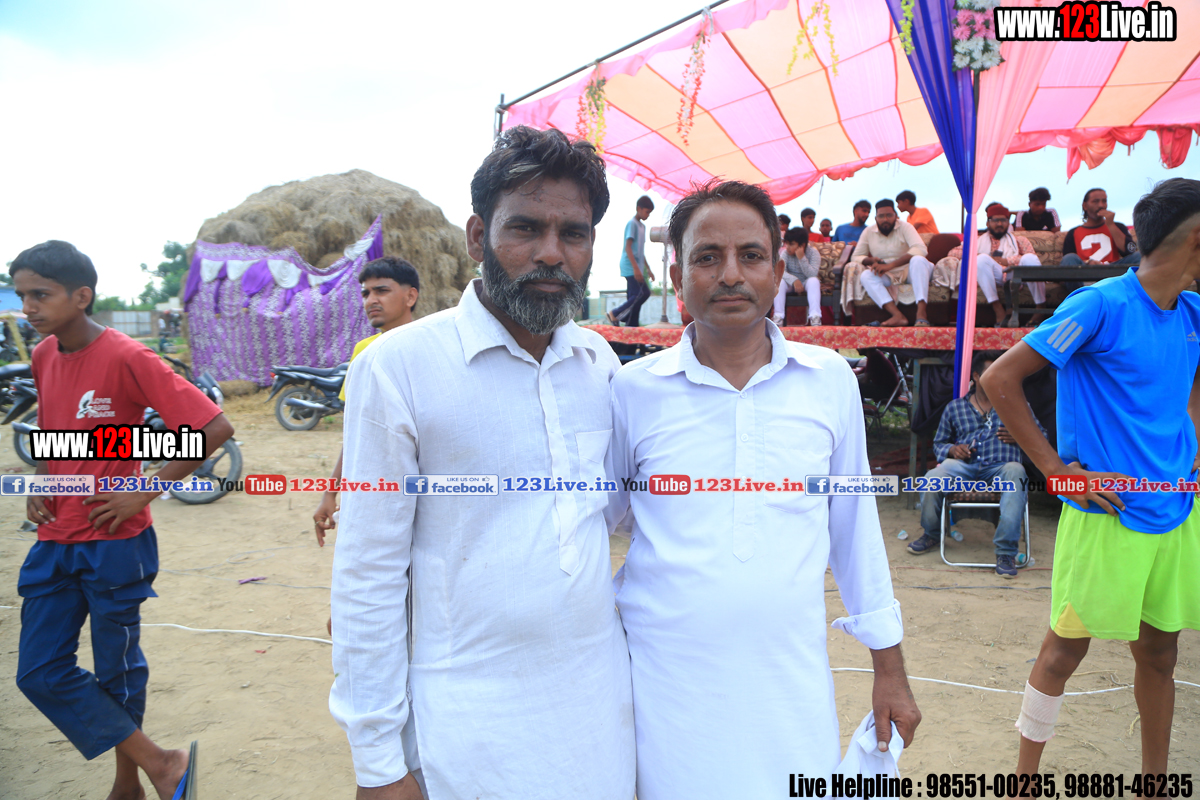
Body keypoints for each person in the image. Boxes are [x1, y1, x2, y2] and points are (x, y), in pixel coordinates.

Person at [329, 126, 634, 800]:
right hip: (465, 728)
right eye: (525, 228)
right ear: (477, 237)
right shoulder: (398, 368)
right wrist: (378, 763)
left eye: (574, 234)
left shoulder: (599, 364)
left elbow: (620, 517)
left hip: (598, 715)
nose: (551, 253)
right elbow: (366, 574)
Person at [606, 179, 919, 798]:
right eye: (707, 257)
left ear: (778, 273)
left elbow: (853, 528)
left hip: (789, 679)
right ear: (677, 277)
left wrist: (890, 668)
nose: (730, 274)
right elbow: (600, 522)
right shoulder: (633, 389)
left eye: (750, 255)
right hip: (663, 682)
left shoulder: (827, 380)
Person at [980, 177, 1200, 776]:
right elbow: (999, 379)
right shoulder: (1098, 305)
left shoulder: (1192, 312)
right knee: (1063, 653)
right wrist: (1055, 470)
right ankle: (1024, 782)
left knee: (1160, 653)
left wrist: (1193, 432)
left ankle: (1154, 783)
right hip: (1107, 512)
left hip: (1175, 509)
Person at [12, 240, 235, 800]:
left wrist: (144, 488)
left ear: (81, 296)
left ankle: (126, 782)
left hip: (115, 542)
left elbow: (214, 428)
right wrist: (43, 477)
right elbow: (53, 427)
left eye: (40, 294)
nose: (28, 307)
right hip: (54, 537)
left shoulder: (127, 356)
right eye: (22, 295)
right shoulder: (43, 355)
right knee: (38, 670)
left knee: (117, 670)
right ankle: (163, 762)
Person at [313, 256, 420, 548]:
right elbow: (356, 432)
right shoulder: (363, 352)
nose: (371, 300)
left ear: (410, 296)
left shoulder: (430, 348)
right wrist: (330, 493)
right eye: (365, 293)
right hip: (376, 493)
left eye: (381, 291)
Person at [906, 350, 1043, 577]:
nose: (997, 377)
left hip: (1001, 467)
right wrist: (952, 449)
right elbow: (939, 443)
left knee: (1016, 472)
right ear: (977, 376)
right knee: (931, 479)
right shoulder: (955, 407)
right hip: (965, 467)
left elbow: (1042, 438)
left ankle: (1006, 552)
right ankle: (931, 534)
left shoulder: (1016, 404)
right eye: (991, 373)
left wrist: (1021, 436)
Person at [856, 198, 934, 327]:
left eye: (889, 215)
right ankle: (897, 316)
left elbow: (921, 249)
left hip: (911, 271)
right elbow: (856, 256)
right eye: (881, 216)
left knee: (918, 259)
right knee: (866, 275)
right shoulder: (868, 232)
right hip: (888, 275)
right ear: (876, 218)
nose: (885, 219)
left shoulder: (906, 227)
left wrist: (890, 265)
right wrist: (871, 260)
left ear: (896, 216)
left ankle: (921, 314)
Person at [967, 202, 1048, 327]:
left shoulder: (1019, 240)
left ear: (1008, 223)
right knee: (981, 259)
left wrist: (1007, 261)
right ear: (988, 223)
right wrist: (981, 256)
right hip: (994, 275)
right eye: (996, 220)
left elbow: (1032, 258)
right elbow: (955, 253)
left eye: (1003, 220)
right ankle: (997, 308)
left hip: (1016, 274)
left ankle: (1040, 307)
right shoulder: (976, 241)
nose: (1000, 224)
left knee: (1029, 258)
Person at [607, 195, 655, 326]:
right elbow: (627, 247)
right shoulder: (632, 224)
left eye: (650, 213)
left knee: (635, 299)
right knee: (642, 293)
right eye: (647, 212)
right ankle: (615, 313)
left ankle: (631, 327)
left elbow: (640, 251)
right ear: (639, 208)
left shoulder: (642, 227)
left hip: (638, 267)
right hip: (630, 266)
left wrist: (648, 269)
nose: (648, 215)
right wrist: (635, 269)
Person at [1061, 187, 1140, 267]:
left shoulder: (1118, 226)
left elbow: (1131, 250)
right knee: (1069, 258)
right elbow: (1067, 260)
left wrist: (1111, 225)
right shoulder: (1073, 233)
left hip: (1112, 270)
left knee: (1138, 256)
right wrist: (1088, 262)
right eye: (1095, 201)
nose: (1101, 205)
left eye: (1104, 201)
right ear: (1085, 206)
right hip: (1085, 270)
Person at [772, 226, 822, 327]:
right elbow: (780, 271)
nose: (787, 247)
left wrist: (802, 258)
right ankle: (778, 317)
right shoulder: (785, 253)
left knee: (814, 281)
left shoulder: (813, 253)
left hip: (807, 281)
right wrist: (794, 280)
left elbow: (812, 274)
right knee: (780, 282)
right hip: (790, 283)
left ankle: (815, 317)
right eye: (786, 243)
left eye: (791, 244)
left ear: (802, 245)